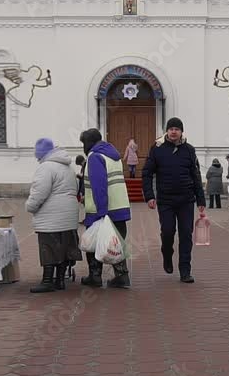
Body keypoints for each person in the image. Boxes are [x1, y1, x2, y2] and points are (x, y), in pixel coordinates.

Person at [142, 117, 206, 283]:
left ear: (181, 132)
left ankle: (185, 270)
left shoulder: (189, 150)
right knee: (168, 232)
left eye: (177, 129)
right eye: (171, 128)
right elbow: (147, 173)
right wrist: (149, 195)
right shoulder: (157, 149)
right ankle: (167, 254)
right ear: (167, 131)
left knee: (186, 234)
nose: (173, 131)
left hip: (186, 200)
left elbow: (196, 175)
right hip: (166, 200)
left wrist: (200, 200)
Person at [25, 138, 82, 293]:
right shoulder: (68, 167)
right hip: (68, 215)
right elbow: (76, 188)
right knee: (63, 248)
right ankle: (60, 281)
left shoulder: (46, 168)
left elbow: (39, 192)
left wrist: (30, 206)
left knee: (48, 248)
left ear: (41, 153)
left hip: (51, 217)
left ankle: (47, 281)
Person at [80, 128, 132, 289]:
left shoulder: (95, 157)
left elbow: (99, 186)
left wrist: (101, 213)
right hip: (120, 207)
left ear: (88, 143)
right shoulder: (113, 156)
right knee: (115, 243)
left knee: (94, 242)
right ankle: (122, 276)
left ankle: (94, 276)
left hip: (102, 210)